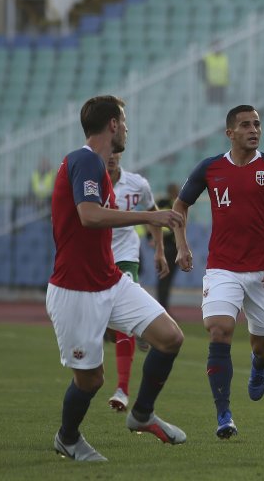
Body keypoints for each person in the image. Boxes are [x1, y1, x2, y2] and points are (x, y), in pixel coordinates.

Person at [47, 95, 186, 462]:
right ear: (112, 124)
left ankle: (141, 414)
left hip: (109, 280)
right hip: (74, 290)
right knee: (91, 381)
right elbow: (89, 215)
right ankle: (68, 438)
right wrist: (149, 218)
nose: (126, 128)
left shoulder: (96, 164)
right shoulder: (84, 160)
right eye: (123, 121)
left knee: (170, 338)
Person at [172, 105, 264, 440]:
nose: (253, 130)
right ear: (230, 133)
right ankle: (224, 414)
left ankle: (259, 367)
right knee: (219, 330)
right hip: (222, 268)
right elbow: (180, 205)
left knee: (263, 347)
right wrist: (182, 245)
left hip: (263, 272)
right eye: (245, 125)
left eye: (257, 124)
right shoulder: (211, 168)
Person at [104, 151, 169, 412]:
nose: (111, 157)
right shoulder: (89, 185)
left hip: (125, 256)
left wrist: (160, 249)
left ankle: (122, 390)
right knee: (106, 321)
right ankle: (141, 328)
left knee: (124, 323)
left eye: (115, 153)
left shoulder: (137, 184)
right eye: (106, 153)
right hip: (95, 258)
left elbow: (153, 213)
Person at [155, 184, 180, 312]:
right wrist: (152, 238)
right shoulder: (164, 203)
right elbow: (155, 220)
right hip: (166, 247)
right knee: (164, 278)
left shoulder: (178, 204)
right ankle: (162, 308)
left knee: (168, 280)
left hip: (175, 248)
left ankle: (164, 307)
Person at [199, 39, 229, 104]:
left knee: (221, 105)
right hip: (211, 85)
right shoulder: (207, 57)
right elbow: (201, 71)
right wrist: (206, 80)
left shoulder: (224, 57)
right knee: (211, 104)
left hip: (222, 85)